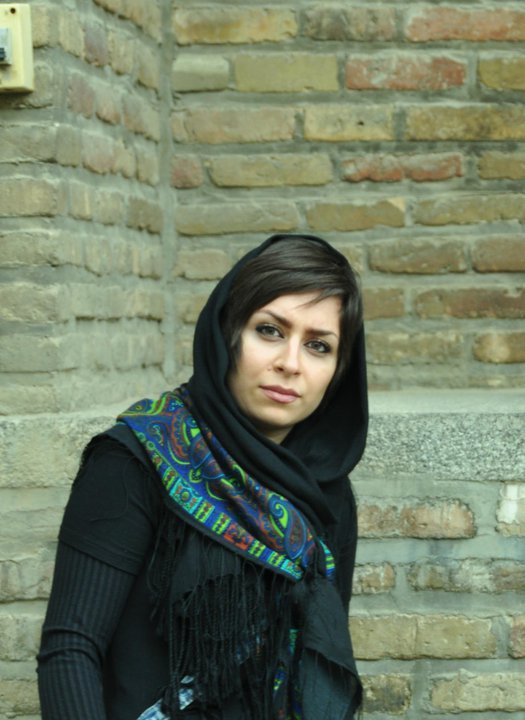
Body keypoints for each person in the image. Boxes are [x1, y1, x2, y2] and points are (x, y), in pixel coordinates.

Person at [37, 234, 368, 720]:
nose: (290, 363)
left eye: (318, 346)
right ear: (227, 332)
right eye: (269, 331)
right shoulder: (137, 459)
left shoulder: (325, 491)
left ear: (338, 370)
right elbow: (71, 647)